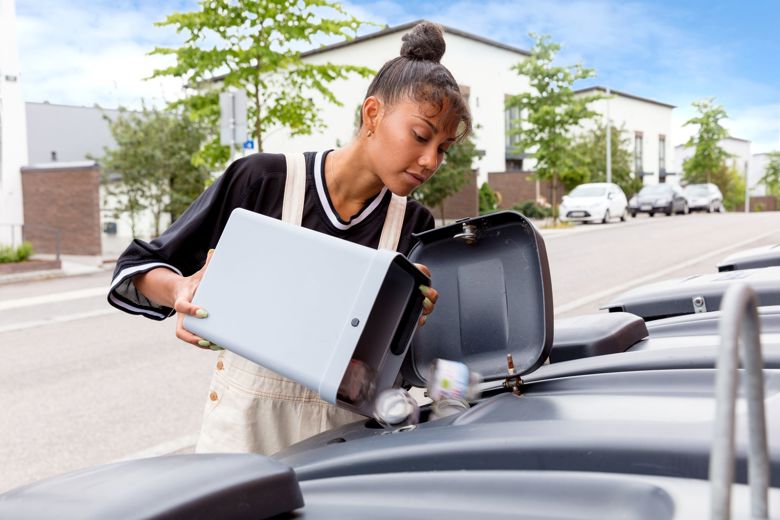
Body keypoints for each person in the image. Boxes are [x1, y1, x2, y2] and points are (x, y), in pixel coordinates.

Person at [107, 21, 472, 455]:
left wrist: (413, 327)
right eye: (421, 136)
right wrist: (181, 289)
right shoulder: (263, 181)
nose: (431, 160)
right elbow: (137, 267)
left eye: (444, 148)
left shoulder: (415, 225)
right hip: (244, 439)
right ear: (372, 114)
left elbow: (420, 367)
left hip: (352, 445)